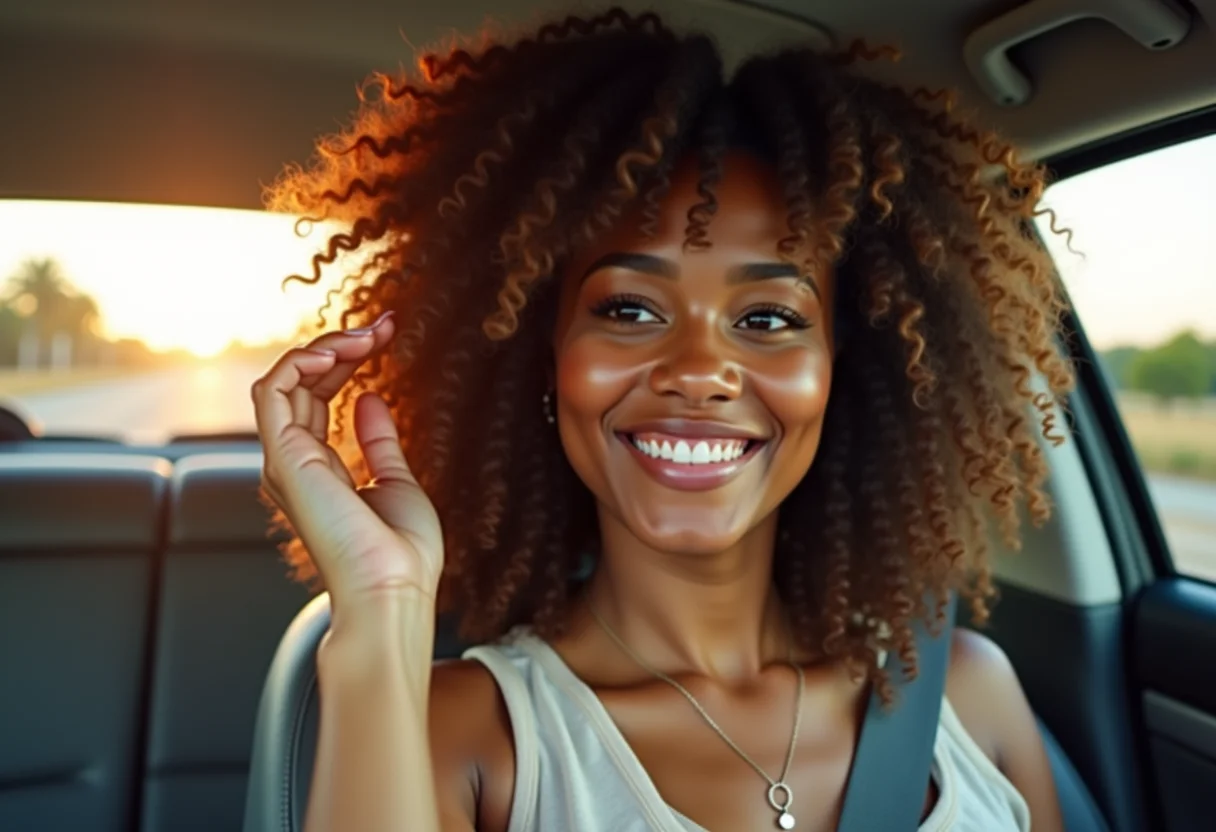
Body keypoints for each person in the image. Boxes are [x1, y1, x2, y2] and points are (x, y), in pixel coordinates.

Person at [252, 7, 1071, 831]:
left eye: (768, 319)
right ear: (546, 358)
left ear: (840, 372)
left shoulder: (969, 696)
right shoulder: (471, 740)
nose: (698, 373)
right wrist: (381, 602)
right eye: (632, 309)